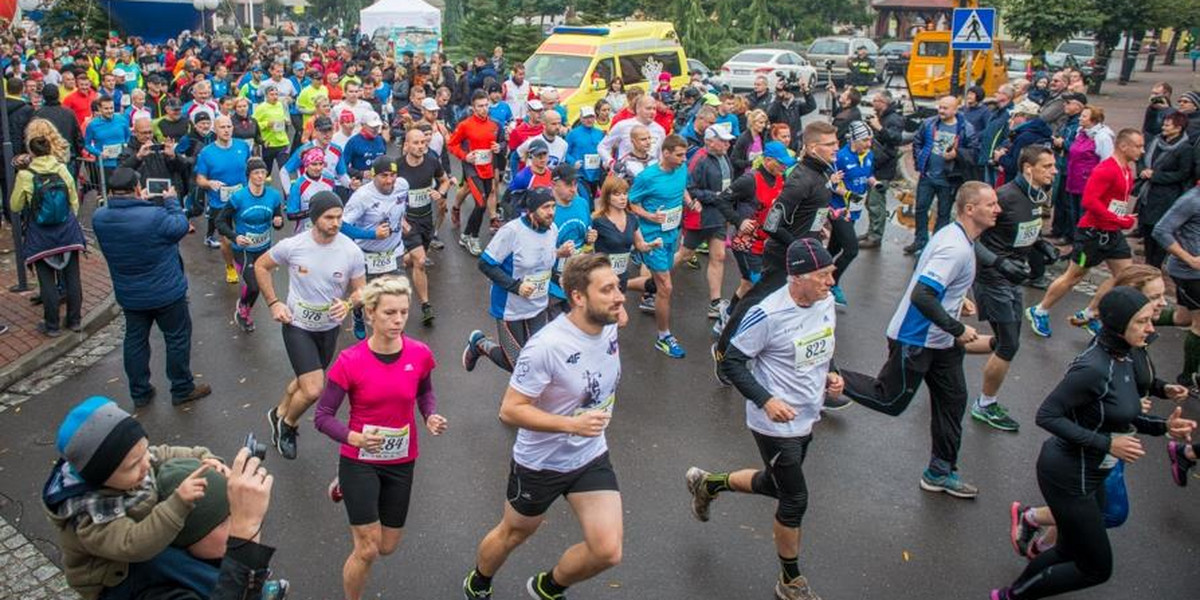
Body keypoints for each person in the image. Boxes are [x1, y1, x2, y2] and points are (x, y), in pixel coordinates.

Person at [990, 287, 1196, 600]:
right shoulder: (1093, 366)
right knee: (1097, 568)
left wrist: (1165, 427)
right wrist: (1106, 444)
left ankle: (1011, 594)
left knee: (1067, 550)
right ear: (1118, 324)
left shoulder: (1124, 356)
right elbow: (1047, 415)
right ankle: (1011, 596)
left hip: (1091, 471)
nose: (1152, 328)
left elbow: (1119, 415)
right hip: (1068, 474)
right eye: (1142, 322)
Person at [462, 254, 626, 600]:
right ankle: (478, 582)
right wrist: (571, 424)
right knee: (515, 533)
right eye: (608, 289)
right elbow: (510, 410)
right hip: (541, 462)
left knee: (607, 550)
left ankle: (547, 588)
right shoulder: (546, 347)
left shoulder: (609, 322)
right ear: (578, 297)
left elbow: (618, 316)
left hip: (589, 455)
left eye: (619, 287)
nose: (620, 296)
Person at [686, 239, 842, 600]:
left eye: (831, 273)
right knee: (794, 499)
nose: (831, 282)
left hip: (807, 412)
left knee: (775, 485)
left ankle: (708, 484)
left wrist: (831, 373)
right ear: (798, 277)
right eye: (823, 275)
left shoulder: (825, 301)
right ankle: (790, 581)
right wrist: (766, 400)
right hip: (773, 423)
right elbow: (731, 362)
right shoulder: (767, 313)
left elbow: (824, 341)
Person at [839, 182, 1002, 498]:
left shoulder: (959, 237)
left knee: (953, 402)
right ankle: (826, 377)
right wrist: (957, 327)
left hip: (941, 342)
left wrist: (959, 302)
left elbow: (933, 281)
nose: (998, 209)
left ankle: (940, 471)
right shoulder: (955, 247)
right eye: (991, 204)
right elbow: (922, 295)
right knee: (889, 399)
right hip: (915, 338)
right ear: (970, 209)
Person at [313, 275, 446, 600]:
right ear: (370, 314)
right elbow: (322, 417)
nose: (399, 320)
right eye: (389, 313)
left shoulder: (419, 354)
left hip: (401, 459)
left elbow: (425, 392)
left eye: (403, 312)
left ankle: (344, 487)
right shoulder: (349, 361)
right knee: (367, 548)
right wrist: (353, 438)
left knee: (387, 545)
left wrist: (430, 415)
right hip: (359, 459)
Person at [41, 396, 220, 600]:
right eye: (133, 466)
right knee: (173, 563)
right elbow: (132, 545)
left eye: (143, 452)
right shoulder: (92, 514)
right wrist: (178, 503)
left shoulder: (133, 457)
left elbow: (164, 453)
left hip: (139, 539)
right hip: (114, 577)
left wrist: (203, 457)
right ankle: (235, 591)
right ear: (102, 478)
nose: (145, 464)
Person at [714, 122, 840, 372]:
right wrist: (800, 245)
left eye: (836, 143)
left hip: (806, 253)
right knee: (756, 300)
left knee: (812, 304)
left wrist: (821, 221)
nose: (836, 148)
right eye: (830, 144)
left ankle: (823, 373)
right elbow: (772, 224)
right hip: (785, 255)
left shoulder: (822, 173)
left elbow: (811, 210)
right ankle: (723, 352)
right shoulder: (800, 181)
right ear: (813, 148)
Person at [255, 192, 367, 460]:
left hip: (328, 328)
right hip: (297, 325)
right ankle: (288, 425)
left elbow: (362, 291)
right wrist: (273, 303)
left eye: (339, 217)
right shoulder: (294, 246)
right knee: (314, 388)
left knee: (305, 379)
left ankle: (278, 412)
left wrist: (350, 304)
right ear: (315, 217)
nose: (336, 223)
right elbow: (260, 266)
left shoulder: (351, 250)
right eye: (329, 217)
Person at [92, 168, 212, 407]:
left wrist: (140, 204)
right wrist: (170, 201)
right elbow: (179, 226)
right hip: (166, 292)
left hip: (130, 293)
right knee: (177, 338)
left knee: (135, 341)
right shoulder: (155, 216)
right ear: (137, 189)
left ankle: (140, 393)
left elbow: (129, 222)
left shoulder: (99, 218)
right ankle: (182, 388)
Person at [971, 146, 1062, 432]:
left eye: (1053, 166)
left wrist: (1040, 244)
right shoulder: (1005, 197)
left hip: (1014, 277)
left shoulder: (1038, 195)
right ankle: (985, 405)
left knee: (1003, 341)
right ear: (1027, 168)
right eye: (1047, 166)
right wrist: (999, 263)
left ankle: (945, 345)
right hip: (992, 277)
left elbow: (1024, 228)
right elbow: (970, 236)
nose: (1054, 171)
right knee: (1009, 344)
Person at [1026, 128, 1144, 338]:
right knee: (1074, 276)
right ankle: (1040, 310)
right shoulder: (1106, 169)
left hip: (1113, 233)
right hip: (1091, 233)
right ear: (1123, 146)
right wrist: (1118, 219)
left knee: (1126, 277)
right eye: (1138, 146)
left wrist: (1120, 221)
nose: (1142, 151)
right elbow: (1090, 201)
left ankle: (1090, 314)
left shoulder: (1127, 170)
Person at [461, 187, 562, 374]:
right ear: (531, 210)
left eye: (553, 206)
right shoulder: (512, 231)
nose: (551, 212)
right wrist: (516, 286)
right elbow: (485, 264)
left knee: (536, 361)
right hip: (510, 307)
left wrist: (559, 279)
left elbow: (545, 265)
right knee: (517, 365)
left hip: (538, 306)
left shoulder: (552, 230)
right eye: (545, 207)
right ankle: (480, 344)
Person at [626, 134, 691, 358]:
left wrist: (690, 201)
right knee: (666, 287)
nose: (684, 159)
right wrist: (650, 217)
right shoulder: (647, 177)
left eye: (685, 155)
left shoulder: (682, 169)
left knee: (656, 282)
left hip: (673, 233)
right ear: (666, 153)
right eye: (680, 155)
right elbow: (632, 203)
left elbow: (682, 189)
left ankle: (619, 284)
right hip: (653, 237)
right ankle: (663, 337)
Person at [341, 156, 411, 340]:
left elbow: (402, 204)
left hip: (393, 252)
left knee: (397, 294)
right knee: (363, 297)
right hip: (366, 256)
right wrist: (373, 234)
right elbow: (342, 226)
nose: (389, 180)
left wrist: (402, 220)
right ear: (373, 176)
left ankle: (394, 336)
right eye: (384, 176)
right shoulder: (362, 197)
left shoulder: (402, 185)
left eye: (393, 175)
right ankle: (357, 315)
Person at [215, 158, 284, 333]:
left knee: (259, 284)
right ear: (249, 176)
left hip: (265, 248)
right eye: (256, 173)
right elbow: (220, 221)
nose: (260, 176)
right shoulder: (238, 197)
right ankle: (243, 311)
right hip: (244, 249)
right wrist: (235, 236)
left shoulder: (273, 195)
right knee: (254, 286)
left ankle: (245, 304)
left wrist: (278, 222)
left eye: (262, 172)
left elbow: (278, 218)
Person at [677, 125, 735, 319]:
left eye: (728, 140)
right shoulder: (698, 159)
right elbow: (689, 189)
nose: (728, 143)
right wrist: (715, 196)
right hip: (701, 217)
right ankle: (653, 281)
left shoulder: (724, 156)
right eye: (723, 140)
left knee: (718, 256)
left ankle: (715, 302)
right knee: (685, 255)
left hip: (718, 216)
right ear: (710, 141)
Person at [906, 95, 976, 255]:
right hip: (927, 176)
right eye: (940, 107)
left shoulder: (966, 128)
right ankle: (920, 241)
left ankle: (936, 244)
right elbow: (918, 141)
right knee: (921, 208)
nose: (941, 110)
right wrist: (920, 160)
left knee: (943, 213)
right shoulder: (929, 123)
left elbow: (973, 152)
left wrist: (956, 154)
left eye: (945, 108)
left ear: (955, 109)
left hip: (949, 179)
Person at [396, 127, 450, 326]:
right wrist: (399, 220)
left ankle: (401, 260)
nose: (420, 147)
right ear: (407, 145)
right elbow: (388, 195)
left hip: (427, 220)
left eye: (423, 143)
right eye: (416, 143)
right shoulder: (398, 167)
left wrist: (441, 193)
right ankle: (426, 305)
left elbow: (444, 181)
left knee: (412, 259)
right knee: (420, 261)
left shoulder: (432, 162)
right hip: (408, 222)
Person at [194, 115, 252, 284]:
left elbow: (250, 167)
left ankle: (248, 263)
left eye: (229, 127)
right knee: (226, 240)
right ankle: (230, 267)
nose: (226, 130)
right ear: (215, 130)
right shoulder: (207, 153)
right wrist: (209, 183)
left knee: (245, 233)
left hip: (241, 199)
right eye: (222, 127)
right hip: (220, 202)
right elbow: (200, 179)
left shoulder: (242, 146)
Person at [1154, 184, 1200, 393]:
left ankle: (1127, 319)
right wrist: (1189, 259)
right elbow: (1161, 230)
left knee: (1184, 318)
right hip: (1190, 274)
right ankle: (1187, 378)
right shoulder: (1191, 200)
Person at [1136, 111, 1193, 268]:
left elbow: (1183, 173)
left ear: (1179, 128)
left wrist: (1156, 176)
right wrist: (1142, 170)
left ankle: (1155, 264)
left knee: (1159, 229)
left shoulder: (1184, 148)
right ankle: (1148, 261)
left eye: (1168, 125)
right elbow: (1142, 158)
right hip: (1149, 193)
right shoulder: (1156, 141)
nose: (1164, 127)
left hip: (1167, 195)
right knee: (1147, 228)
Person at [448, 90, 501, 255]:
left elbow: (502, 143)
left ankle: (465, 235)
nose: (484, 109)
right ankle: (474, 237)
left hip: (488, 167)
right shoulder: (465, 125)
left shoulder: (494, 125)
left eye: (486, 105)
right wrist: (465, 156)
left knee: (482, 204)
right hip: (472, 168)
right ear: (473, 107)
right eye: (480, 106)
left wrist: (499, 148)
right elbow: (451, 144)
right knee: (481, 203)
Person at [826, 121, 873, 306]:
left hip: (854, 211)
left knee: (834, 249)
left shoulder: (868, 155)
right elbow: (833, 184)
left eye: (870, 139)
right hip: (839, 210)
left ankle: (815, 273)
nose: (869, 144)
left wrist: (874, 183)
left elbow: (867, 175)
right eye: (866, 140)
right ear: (855, 140)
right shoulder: (841, 157)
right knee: (851, 249)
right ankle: (832, 282)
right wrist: (848, 194)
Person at [592, 175, 659, 291]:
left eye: (625, 193)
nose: (623, 198)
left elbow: (640, 245)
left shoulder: (632, 218)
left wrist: (652, 245)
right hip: (602, 277)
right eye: (617, 194)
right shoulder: (598, 221)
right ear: (607, 197)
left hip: (621, 275)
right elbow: (587, 247)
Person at [861, 90, 904, 248]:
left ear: (884, 103)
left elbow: (895, 139)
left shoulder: (893, 119)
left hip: (883, 169)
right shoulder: (882, 117)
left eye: (876, 100)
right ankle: (871, 231)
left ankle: (875, 236)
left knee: (875, 202)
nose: (873, 103)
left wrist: (879, 128)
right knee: (870, 202)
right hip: (875, 166)